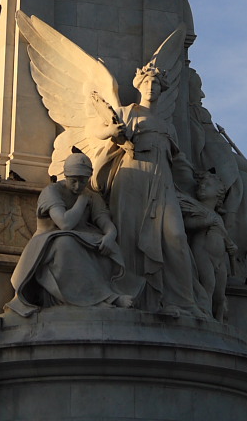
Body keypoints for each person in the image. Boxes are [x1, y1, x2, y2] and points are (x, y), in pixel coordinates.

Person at [88, 63, 203, 317]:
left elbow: (180, 163)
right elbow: (98, 130)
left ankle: (183, 301)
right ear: (138, 86)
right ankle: (129, 293)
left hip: (162, 182)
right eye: (146, 83)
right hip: (132, 177)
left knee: (177, 239)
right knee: (127, 235)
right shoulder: (128, 111)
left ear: (162, 89)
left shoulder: (167, 125)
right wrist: (112, 131)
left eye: (155, 84)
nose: (151, 88)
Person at [7, 152, 134, 316]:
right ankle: (108, 298)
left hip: (80, 238)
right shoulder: (52, 192)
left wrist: (110, 236)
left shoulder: (92, 196)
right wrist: (82, 201)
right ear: (65, 175)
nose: (77, 186)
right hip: (47, 244)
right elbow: (65, 224)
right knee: (66, 242)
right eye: (73, 180)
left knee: (105, 246)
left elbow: (106, 223)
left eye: (83, 181)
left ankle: (104, 295)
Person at [180, 171, 236, 322]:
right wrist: (206, 222)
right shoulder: (197, 209)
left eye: (208, 185)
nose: (203, 187)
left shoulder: (218, 217)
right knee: (208, 286)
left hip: (220, 260)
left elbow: (224, 236)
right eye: (201, 184)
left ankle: (219, 321)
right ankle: (207, 316)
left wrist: (231, 246)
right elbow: (187, 224)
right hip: (202, 253)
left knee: (219, 294)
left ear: (218, 194)